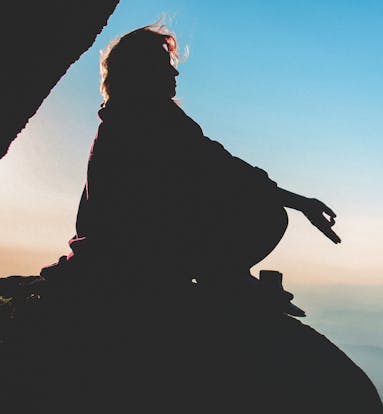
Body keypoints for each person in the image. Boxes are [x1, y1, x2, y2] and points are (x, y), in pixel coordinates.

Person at [42, 24, 340, 298]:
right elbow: (225, 171)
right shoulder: (149, 121)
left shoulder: (121, 121)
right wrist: (301, 204)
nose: (176, 74)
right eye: (165, 66)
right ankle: (226, 279)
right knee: (268, 215)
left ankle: (226, 277)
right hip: (133, 259)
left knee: (239, 200)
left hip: (119, 254)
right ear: (141, 73)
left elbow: (217, 168)